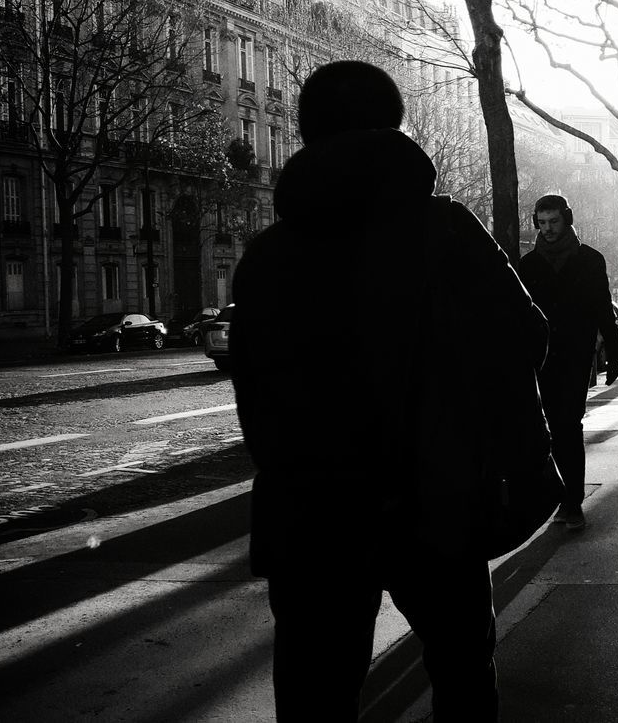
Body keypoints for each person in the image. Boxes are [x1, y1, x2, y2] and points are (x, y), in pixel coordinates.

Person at [229, 60, 547, 722]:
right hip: (434, 497)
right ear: (396, 123)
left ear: (304, 129)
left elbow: (254, 396)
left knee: (315, 693)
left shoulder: (266, 258)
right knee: (461, 672)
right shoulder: (447, 231)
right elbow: (522, 338)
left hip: (312, 513)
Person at [517, 194, 618, 531]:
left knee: (567, 426)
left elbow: (603, 306)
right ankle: (558, 498)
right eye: (542, 223)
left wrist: (614, 352)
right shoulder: (528, 265)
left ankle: (571, 501)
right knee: (547, 430)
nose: (547, 229)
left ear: (568, 219)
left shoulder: (590, 260)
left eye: (554, 222)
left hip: (576, 356)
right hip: (540, 359)